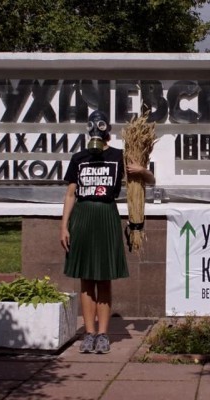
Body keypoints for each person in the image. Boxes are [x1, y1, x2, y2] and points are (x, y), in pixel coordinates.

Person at [60, 110, 154, 354]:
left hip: (106, 216)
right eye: (92, 126)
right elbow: (70, 194)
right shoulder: (79, 158)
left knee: (103, 279)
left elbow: (150, 180)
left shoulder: (118, 157)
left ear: (107, 131)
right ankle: (88, 333)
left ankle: (103, 334)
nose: (96, 131)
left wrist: (142, 170)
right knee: (85, 280)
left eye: (100, 126)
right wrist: (64, 226)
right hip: (82, 218)